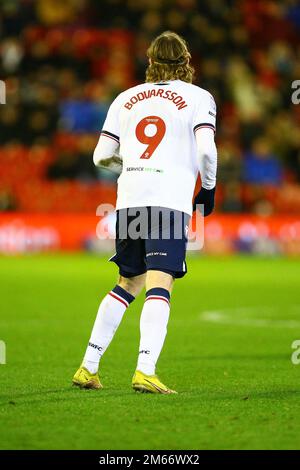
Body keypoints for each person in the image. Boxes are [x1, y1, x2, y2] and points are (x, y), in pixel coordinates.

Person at [73, 31, 218, 394]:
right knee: (160, 282)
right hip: (168, 200)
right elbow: (207, 151)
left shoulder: (126, 98)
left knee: (128, 282)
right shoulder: (199, 98)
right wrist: (210, 188)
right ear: (186, 61)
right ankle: (145, 370)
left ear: (150, 62)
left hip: (130, 198)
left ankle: (88, 368)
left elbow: (100, 156)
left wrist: (134, 164)